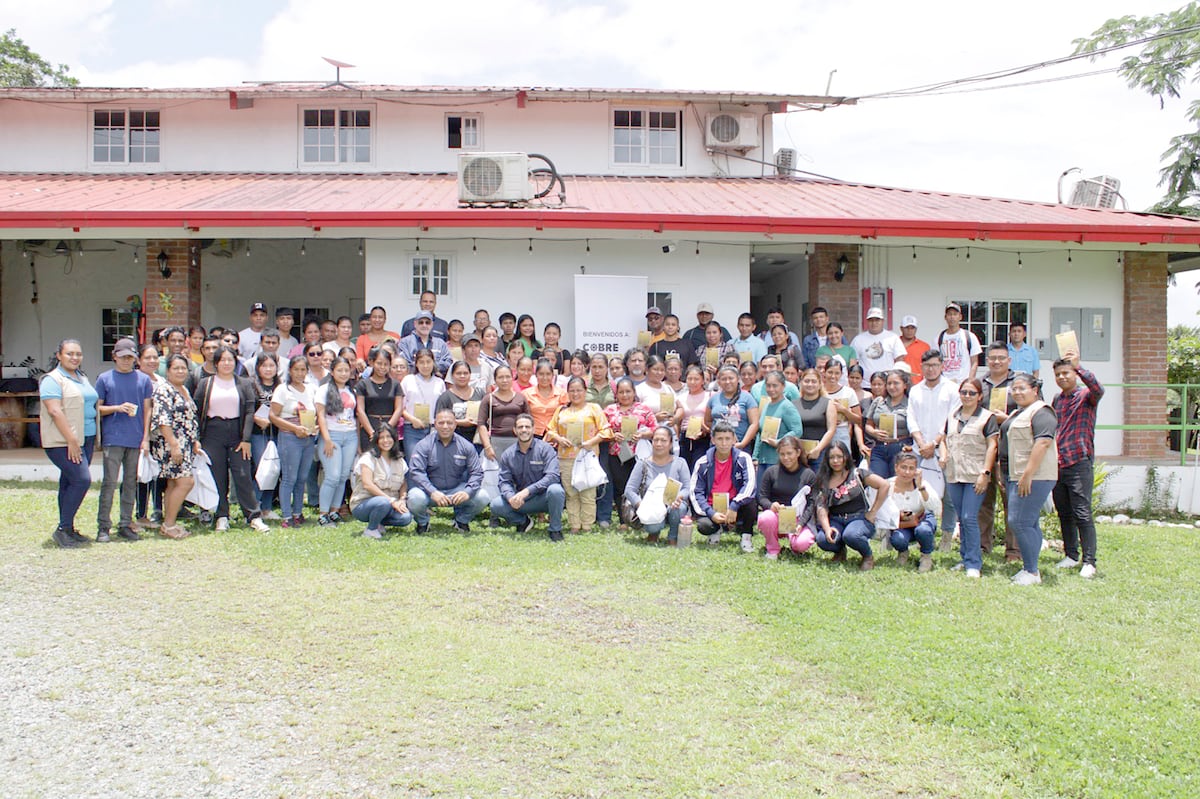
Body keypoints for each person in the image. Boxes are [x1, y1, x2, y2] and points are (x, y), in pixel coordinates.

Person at [193, 346, 271, 533]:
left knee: (243, 475)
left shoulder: (244, 383)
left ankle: (253, 516)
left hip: (237, 432)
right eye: (223, 360)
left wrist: (245, 439)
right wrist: (196, 438)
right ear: (216, 363)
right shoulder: (206, 383)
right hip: (212, 432)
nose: (227, 363)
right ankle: (222, 516)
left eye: (230, 360)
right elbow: (196, 411)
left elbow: (250, 412)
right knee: (217, 475)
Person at [40, 339, 101, 548]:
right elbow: (55, 411)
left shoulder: (81, 377)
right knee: (81, 480)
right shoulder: (52, 380)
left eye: (78, 354)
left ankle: (68, 528)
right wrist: (71, 440)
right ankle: (62, 529)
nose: (75, 358)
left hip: (87, 438)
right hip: (63, 441)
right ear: (59, 355)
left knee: (68, 481)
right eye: (69, 354)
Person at [999, 372, 1058, 586]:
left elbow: (1042, 443)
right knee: (1029, 522)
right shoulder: (1019, 412)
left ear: (1035, 390)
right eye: (1014, 388)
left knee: (1019, 521)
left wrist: (1028, 474)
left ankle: (1032, 571)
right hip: (1016, 474)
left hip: (1034, 476)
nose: (1017, 392)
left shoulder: (1042, 412)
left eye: (1022, 388)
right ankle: (1030, 568)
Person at [93, 337, 154, 542]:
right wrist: (117, 408)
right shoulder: (104, 379)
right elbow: (97, 409)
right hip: (113, 437)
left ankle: (125, 523)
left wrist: (145, 438)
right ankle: (103, 526)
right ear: (114, 357)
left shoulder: (143, 380)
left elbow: (147, 410)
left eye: (130, 357)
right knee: (109, 482)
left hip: (135, 438)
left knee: (130, 483)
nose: (126, 361)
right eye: (123, 357)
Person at [1051, 350, 1104, 579]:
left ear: (1074, 374)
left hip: (1078, 462)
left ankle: (1089, 561)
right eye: (1058, 374)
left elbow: (1098, 389)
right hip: (1058, 463)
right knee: (1064, 512)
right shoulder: (1057, 400)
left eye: (1066, 373)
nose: (1062, 377)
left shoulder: (1086, 397)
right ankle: (1071, 555)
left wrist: (1079, 366)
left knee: (1082, 513)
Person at [939, 377, 999, 578]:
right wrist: (943, 454)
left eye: (972, 393)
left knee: (969, 517)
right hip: (955, 474)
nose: (967, 396)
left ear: (980, 396)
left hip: (976, 474)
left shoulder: (987, 417)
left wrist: (986, 473)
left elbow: (992, 445)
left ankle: (974, 563)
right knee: (961, 518)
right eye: (963, 392)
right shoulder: (953, 415)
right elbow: (944, 439)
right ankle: (965, 558)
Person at [906, 348, 961, 546]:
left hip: (944, 449)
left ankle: (946, 535)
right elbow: (911, 418)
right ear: (921, 367)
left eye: (935, 365)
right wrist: (921, 443)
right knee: (918, 492)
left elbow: (951, 419)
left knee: (949, 496)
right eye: (927, 366)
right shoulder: (915, 390)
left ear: (942, 366)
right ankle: (919, 532)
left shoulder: (952, 389)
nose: (931, 369)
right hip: (919, 450)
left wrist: (935, 442)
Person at [544, 378, 611, 533]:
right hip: (566, 457)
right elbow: (550, 430)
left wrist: (591, 442)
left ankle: (587, 525)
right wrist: (559, 439)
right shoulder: (562, 411)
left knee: (587, 493)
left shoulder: (594, 408)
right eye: (572, 391)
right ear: (568, 392)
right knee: (571, 493)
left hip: (587, 456)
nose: (575, 394)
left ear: (585, 391)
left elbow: (606, 430)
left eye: (579, 390)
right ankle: (575, 524)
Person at [407, 408, 490, 533]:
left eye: (449, 423)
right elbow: (416, 472)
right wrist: (432, 492)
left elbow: (477, 473)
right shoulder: (424, 445)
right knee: (414, 498)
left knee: (482, 496)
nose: (445, 426)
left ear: (455, 424)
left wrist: (467, 492)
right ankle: (423, 523)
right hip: (430, 492)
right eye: (441, 423)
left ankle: (461, 521)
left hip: (456, 490)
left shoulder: (466, 446)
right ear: (435, 424)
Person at [149, 354, 204, 540]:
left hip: (186, 444)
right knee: (186, 482)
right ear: (168, 370)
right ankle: (169, 523)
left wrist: (194, 441)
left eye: (184, 368)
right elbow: (163, 419)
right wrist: (173, 444)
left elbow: (190, 418)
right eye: (176, 368)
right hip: (171, 443)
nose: (181, 371)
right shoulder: (164, 390)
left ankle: (169, 523)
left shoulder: (184, 389)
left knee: (174, 483)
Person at [813, 441, 890, 570]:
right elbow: (821, 506)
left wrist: (873, 512)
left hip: (859, 518)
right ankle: (840, 551)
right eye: (832, 457)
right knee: (822, 540)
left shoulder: (857, 474)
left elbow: (884, 485)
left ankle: (867, 556)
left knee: (852, 535)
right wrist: (827, 529)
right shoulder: (823, 479)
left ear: (846, 457)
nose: (836, 461)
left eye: (839, 456)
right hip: (836, 520)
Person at [491, 413, 568, 540]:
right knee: (496, 505)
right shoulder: (508, 454)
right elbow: (504, 481)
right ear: (515, 431)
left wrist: (527, 491)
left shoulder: (546, 449)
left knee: (556, 490)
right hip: (522, 501)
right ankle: (523, 521)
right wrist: (510, 497)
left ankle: (555, 529)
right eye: (520, 427)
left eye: (527, 427)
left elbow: (552, 476)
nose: (524, 430)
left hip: (544, 498)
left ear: (533, 429)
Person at [689, 420, 757, 551]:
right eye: (720, 439)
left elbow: (750, 485)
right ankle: (716, 530)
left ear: (734, 439)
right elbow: (695, 492)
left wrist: (734, 505)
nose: (724, 443)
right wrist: (710, 513)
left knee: (751, 503)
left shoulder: (744, 458)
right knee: (704, 525)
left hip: (736, 506)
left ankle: (746, 537)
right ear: (713, 440)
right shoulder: (702, 462)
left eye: (727, 439)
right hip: (713, 505)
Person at [978, 342, 1019, 561]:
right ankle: (983, 546)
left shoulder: (1019, 384)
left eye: (1001, 358)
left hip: (1010, 450)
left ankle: (1013, 550)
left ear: (1009, 360)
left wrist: (1007, 419)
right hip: (984, 449)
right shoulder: (980, 384)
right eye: (992, 358)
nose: (996, 362)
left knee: (1010, 499)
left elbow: (1032, 412)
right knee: (984, 500)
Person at [270, 356, 318, 528]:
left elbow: (315, 412)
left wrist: (315, 427)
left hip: (308, 437)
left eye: (303, 370)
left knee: (302, 477)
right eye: (296, 369)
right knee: (289, 477)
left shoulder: (311, 389)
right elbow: (273, 416)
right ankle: (287, 515)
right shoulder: (283, 390)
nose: (299, 373)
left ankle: (298, 512)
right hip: (289, 437)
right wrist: (294, 428)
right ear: (290, 370)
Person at [603, 378, 657, 525]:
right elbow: (601, 430)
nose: (625, 395)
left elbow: (655, 429)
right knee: (621, 487)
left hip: (640, 455)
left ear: (634, 392)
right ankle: (624, 520)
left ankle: (642, 517)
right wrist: (613, 435)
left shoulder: (644, 409)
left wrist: (642, 435)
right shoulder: (609, 410)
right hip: (618, 454)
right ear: (616, 394)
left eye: (628, 391)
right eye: (621, 392)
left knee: (640, 486)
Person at [625, 425, 691, 544]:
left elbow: (687, 488)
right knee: (652, 526)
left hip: (672, 504)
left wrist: (679, 497)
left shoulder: (680, 463)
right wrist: (641, 505)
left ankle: (673, 537)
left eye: (664, 440)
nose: (659, 443)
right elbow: (629, 490)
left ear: (671, 444)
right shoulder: (642, 463)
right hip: (651, 506)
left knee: (679, 508)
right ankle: (653, 533)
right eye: (656, 440)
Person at [756, 434, 817, 560]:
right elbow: (762, 497)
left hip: (798, 518)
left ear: (798, 452)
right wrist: (770, 505)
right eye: (782, 454)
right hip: (777, 516)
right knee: (765, 517)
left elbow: (812, 504)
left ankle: (795, 545)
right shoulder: (771, 472)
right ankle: (772, 549)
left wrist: (801, 523)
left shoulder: (808, 474)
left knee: (801, 544)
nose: (786, 458)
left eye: (789, 453)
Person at [880, 451, 942, 572]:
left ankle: (926, 556)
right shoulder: (888, 485)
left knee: (923, 530)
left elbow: (936, 507)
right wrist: (899, 516)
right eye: (903, 467)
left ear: (916, 470)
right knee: (898, 539)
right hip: (901, 523)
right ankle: (903, 552)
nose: (907, 472)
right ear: (896, 468)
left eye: (911, 468)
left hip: (922, 519)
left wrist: (920, 487)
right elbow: (882, 510)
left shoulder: (922, 484)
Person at [314, 357, 358, 526]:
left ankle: (334, 511)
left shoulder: (350, 390)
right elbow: (321, 416)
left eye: (346, 370)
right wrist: (326, 440)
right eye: (339, 370)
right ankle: (323, 514)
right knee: (332, 476)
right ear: (332, 372)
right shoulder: (324, 389)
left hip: (350, 436)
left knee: (342, 477)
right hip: (332, 436)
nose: (343, 373)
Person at [348, 424, 412, 539]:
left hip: (388, 504)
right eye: (382, 438)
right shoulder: (368, 458)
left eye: (389, 437)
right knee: (383, 502)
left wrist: (402, 499)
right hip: (363, 504)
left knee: (406, 518)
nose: (386, 440)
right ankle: (371, 529)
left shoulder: (399, 459)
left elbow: (403, 483)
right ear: (376, 440)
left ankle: (379, 522)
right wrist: (391, 500)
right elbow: (368, 485)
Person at [135, 343, 166, 528]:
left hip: (160, 435)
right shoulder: (135, 380)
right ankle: (140, 513)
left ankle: (157, 510)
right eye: (147, 357)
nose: (152, 361)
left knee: (157, 474)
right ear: (139, 360)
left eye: (155, 357)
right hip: (140, 433)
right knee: (141, 474)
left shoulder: (161, 381)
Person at [754, 370, 805, 480]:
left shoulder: (787, 406)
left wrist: (779, 442)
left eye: (775, 386)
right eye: (768, 386)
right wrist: (755, 456)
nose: (771, 389)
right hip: (763, 459)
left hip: (778, 460)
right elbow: (760, 432)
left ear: (783, 386)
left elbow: (797, 431)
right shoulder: (767, 405)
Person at [249, 352, 281, 520]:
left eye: (271, 366)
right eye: (264, 366)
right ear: (258, 368)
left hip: (276, 432)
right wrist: (256, 419)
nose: (268, 369)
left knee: (273, 469)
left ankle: (267, 508)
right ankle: (255, 508)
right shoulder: (251, 385)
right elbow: (246, 409)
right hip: (258, 433)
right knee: (261, 469)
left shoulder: (280, 386)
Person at [864, 370, 913, 478]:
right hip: (879, 447)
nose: (892, 387)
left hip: (901, 447)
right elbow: (868, 424)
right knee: (877, 482)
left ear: (904, 385)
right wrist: (874, 432)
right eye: (889, 383)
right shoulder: (879, 401)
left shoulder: (911, 404)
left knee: (897, 483)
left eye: (896, 383)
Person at [355, 346, 404, 452]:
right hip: (369, 428)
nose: (382, 367)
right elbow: (360, 410)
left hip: (390, 428)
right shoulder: (363, 384)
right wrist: (372, 433)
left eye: (386, 364)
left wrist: (387, 430)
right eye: (379, 363)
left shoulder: (395, 384)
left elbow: (399, 409)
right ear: (372, 363)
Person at [477, 364, 529, 462]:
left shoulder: (521, 398)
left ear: (512, 378)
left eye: (507, 377)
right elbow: (481, 424)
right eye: (500, 377)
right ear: (495, 380)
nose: (504, 380)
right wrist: (488, 447)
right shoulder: (489, 398)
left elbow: (528, 421)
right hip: (496, 443)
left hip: (518, 442)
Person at [705, 364, 760, 453]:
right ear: (718, 382)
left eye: (731, 378)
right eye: (724, 379)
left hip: (740, 446)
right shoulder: (714, 398)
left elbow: (754, 423)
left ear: (738, 379)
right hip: (717, 447)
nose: (727, 382)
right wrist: (719, 429)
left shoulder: (747, 397)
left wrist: (743, 443)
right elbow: (707, 421)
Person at [793, 368, 837, 470]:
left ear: (819, 384)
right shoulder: (793, 404)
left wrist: (818, 449)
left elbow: (831, 430)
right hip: (798, 454)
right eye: (807, 381)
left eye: (813, 381)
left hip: (820, 454)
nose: (810, 384)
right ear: (801, 383)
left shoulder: (828, 403)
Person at [436, 360, 485, 444]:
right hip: (453, 441)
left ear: (470, 375)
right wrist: (460, 422)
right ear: (452, 376)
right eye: (458, 373)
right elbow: (438, 420)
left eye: (465, 373)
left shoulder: (480, 394)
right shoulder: (446, 397)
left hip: (478, 440)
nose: (462, 376)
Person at [851, 307, 906, 381]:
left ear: (883, 321)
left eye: (877, 320)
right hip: (865, 385)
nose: (874, 323)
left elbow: (900, 361)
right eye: (871, 320)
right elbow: (854, 363)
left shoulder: (893, 338)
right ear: (867, 321)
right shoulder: (858, 340)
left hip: (888, 384)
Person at [821, 358, 861, 453]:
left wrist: (844, 410)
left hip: (841, 432)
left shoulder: (848, 392)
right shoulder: (819, 391)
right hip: (821, 431)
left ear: (842, 375)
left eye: (837, 373)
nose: (833, 376)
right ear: (824, 373)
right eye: (830, 372)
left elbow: (858, 419)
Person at [937, 302, 982, 384]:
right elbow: (936, 362)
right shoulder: (938, 338)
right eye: (949, 314)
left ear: (960, 317)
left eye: (955, 314)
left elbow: (974, 362)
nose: (952, 317)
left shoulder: (969, 336)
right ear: (945, 317)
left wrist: (970, 381)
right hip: (944, 383)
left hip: (963, 383)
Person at [677, 365, 712, 469]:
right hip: (685, 437)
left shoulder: (710, 396)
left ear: (702, 381)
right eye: (690, 379)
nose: (692, 382)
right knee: (685, 468)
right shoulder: (680, 398)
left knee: (700, 467)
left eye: (696, 379)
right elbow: (678, 422)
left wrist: (705, 429)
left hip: (703, 436)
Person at [523, 358, 567, 437]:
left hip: (556, 436)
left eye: (548, 374)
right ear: (536, 375)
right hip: (533, 435)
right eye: (541, 374)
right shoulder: (526, 394)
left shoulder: (562, 394)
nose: (544, 378)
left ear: (553, 375)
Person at [898, 315, 930, 381]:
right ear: (901, 328)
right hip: (896, 385)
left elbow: (928, 367)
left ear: (916, 329)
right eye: (907, 328)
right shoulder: (894, 343)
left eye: (912, 328)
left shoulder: (925, 347)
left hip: (917, 385)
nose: (910, 330)